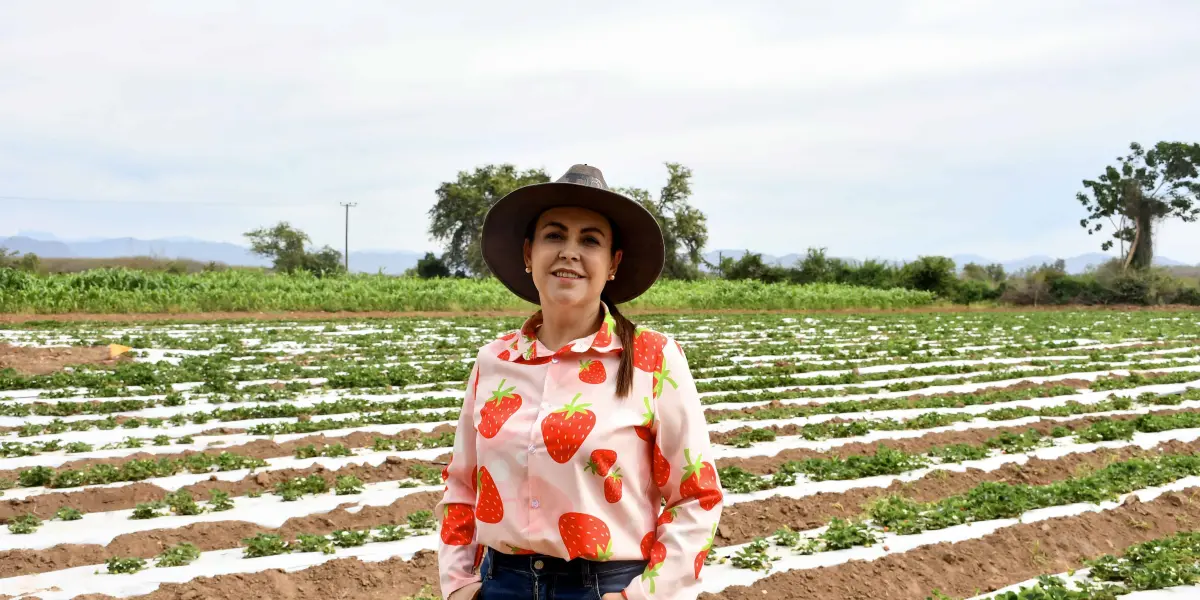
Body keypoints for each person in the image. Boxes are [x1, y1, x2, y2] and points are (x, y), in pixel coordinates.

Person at [436, 164, 724, 600]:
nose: (570, 251)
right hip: (500, 586)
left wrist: (644, 597)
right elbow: (461, 485)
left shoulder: (652, 359)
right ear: (529, 254)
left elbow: (696, 495)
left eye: (590, 240)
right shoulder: (494, 361)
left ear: (613, 264)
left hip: (605, 588)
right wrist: (458, 585)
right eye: (555, 235)